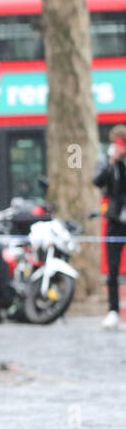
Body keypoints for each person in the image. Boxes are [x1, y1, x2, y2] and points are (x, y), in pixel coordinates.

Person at [93, 124, 126, 330]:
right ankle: (113, 310)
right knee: (112, 268)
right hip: (115, 220)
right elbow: (97, 181)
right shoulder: (110, 162)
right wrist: (112, 163)